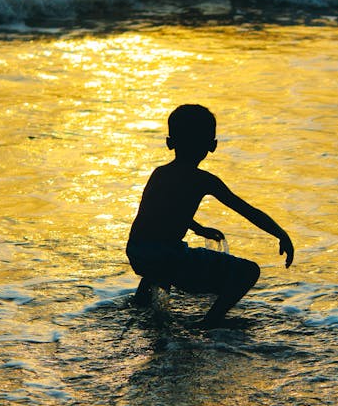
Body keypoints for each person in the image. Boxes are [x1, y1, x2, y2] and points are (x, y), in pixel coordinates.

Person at [126, 104, 294, 328]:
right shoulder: (204, 180)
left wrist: (197, 228)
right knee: (248, 271)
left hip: (138, 251)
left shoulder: (160, 174)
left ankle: (140, 304)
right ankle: (210, 322)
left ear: (170, 142)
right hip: (166, 257)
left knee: (159, 257)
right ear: (212, 145)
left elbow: (158, 213)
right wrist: (280, 233)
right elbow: (246, 210)